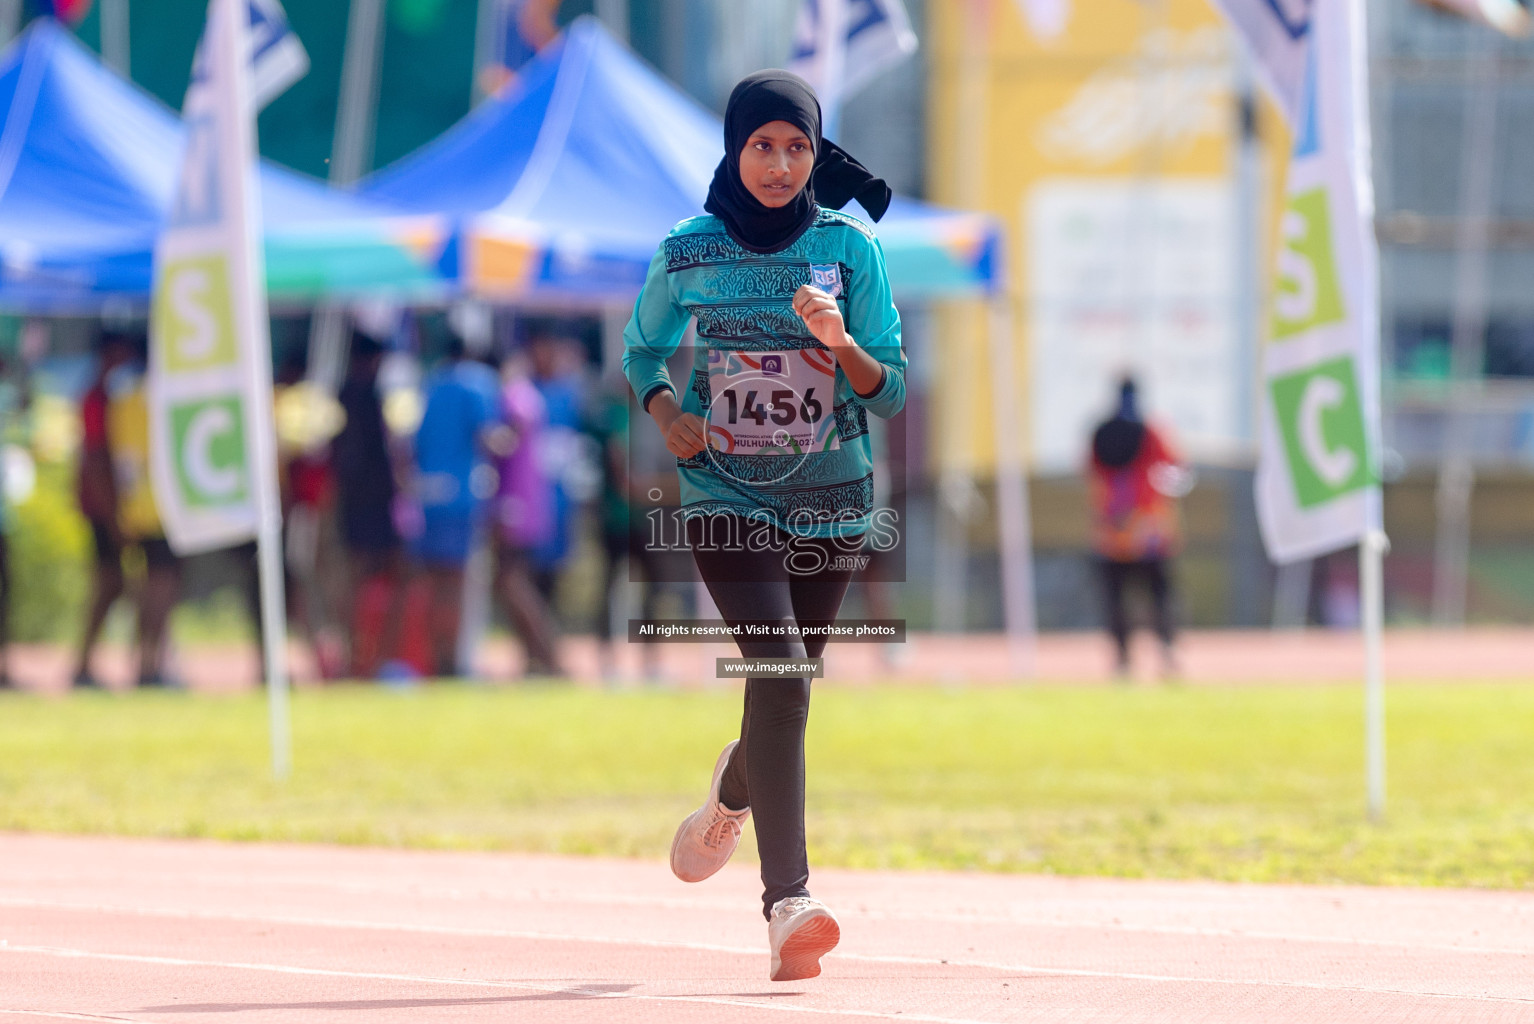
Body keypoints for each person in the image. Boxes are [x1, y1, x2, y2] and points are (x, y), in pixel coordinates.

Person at [623, 70, 901, 982]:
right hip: (725, 495)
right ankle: (791, 905)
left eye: (796, 147)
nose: (779, 165)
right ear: (734, 151)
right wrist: (669, 416)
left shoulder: (849, 249)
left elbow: (890, 389)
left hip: (834, 499)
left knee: (786, 688)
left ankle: (732, 792)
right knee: (779, 675)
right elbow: (642, 348)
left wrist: (840, 345)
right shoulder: (688, 250)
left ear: (816, 154)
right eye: (761, 146)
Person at [409, 334, 500, 677]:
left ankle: (436, 657)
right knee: (458, 583)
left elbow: (414, 443)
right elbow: (487, 434)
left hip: (429, 494)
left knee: (432, 583)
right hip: (462, 495)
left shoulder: (429, 384)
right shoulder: (477, 382)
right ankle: (456, 662)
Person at [1087, 376, 1186, 678]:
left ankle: (1125, 659)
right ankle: (1162, 654)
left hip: (1114, 530)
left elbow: (1092, 474)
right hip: (1148, 532)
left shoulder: (1101, 432)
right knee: (1158, 597)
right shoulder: (1152, 433)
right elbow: (1175, 468)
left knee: (1119, 599)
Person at [106, 349, 181, 688]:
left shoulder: (127, 402)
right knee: (160, 591)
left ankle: (146, 661)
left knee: (146, 589)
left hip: (137, 508)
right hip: (164, 509)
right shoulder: (171, 400)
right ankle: (149, 663)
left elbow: (124, 461)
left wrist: (123, 508)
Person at [333, 331, 404, 678]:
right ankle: (370, 657)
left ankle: (357, 656)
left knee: (356, 580)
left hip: (355, 500)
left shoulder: (342, 395)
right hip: (373, 501)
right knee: (385, 578)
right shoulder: (367, 396)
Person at [492, 349, 563, 677]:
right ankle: (536, 655)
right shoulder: (531, 396)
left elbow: (509, 438)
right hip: (529, 500)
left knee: (512, 580)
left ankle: (547, 653)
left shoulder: (515, 396)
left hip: (515, 502)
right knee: (512, 580)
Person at [71, 330, 134, 690]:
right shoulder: (98, 398)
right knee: (110, 582)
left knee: (113, 583)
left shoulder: (105, 395)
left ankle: (86, 661)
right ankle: (84, 662)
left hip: (106, 503)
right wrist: (112, 516)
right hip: (102, 504)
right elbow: (95, 459)